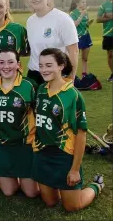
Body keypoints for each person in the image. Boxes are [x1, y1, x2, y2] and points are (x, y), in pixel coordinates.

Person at [33, 48, 105, 211]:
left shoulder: (73, 95)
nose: (44, 70)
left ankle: (95, 186)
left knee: (72, 206)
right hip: (42, 153)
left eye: (49, 65)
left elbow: (81, 135)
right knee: (50, 202)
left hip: (63, 155)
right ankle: (60, 187)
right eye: (41, 65)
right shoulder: (41, 90)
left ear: (61, 66)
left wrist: (74, 169)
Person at [0, 49, 38, 197]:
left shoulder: (29, 85)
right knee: (9, 192)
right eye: (1, 62)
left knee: (31, 193)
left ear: (18, 65)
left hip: (24, 144)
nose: (5, 66)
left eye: (10, 62)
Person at [24, 0, 79, 85]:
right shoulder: (30, 21)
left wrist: (71, 77)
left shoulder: (62, 19)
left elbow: (74, 51)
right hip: (34, 75)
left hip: (56, 75)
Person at [69, 0, 93, 77]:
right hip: (77, 38)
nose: (85, 3)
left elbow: (84, 25)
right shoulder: (73, 13)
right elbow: (74, 25)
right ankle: (72, 76)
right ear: (77, 3)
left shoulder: (85, 12)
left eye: (85, 2)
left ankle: (84, 75)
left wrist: (88, 23)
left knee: (85, 58)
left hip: (86, 36)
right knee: (74, 59)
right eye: (83, 2)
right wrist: (81, 15)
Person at [97, 0, 113, 82]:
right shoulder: (104, 5)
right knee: (110, 55)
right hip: (108, 34)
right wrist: (110, 17)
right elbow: (98, 19)